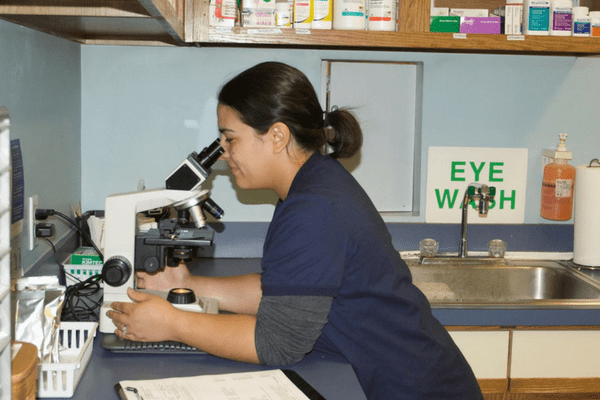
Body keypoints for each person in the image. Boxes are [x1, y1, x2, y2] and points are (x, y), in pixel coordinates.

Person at [107, 61, 483, 399]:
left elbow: (275, 343)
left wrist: (173, 323)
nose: (222, 152)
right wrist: (185, 286)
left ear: (277, 136)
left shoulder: (313, 206)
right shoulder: (311, 186)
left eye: (231, 138)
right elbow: (287, 292)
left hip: (413, 388)